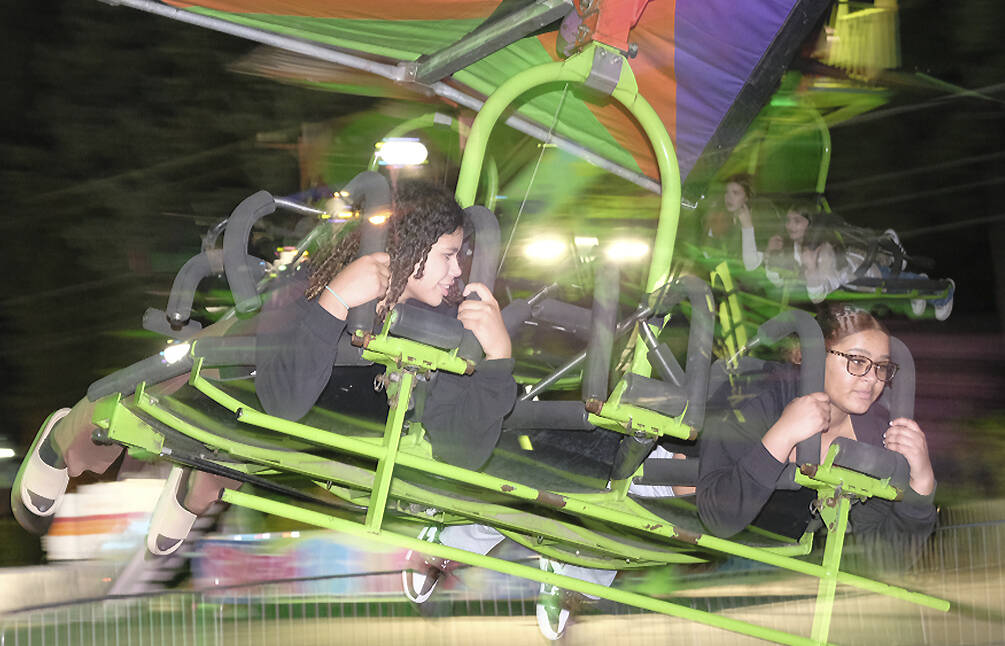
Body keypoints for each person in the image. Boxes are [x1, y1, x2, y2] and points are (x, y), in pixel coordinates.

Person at [255, 179, 516, 470]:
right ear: (408, 245)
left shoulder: (442, 325)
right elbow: (280, 404)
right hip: (282, 456)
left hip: (359, 476)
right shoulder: (310, 287)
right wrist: (333, 302)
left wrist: (498, 361)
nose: (456, 271)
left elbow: (459, 452)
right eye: (447, 255)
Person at [696, 304, 936, 554]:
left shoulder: (874, 437)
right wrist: (783, 435)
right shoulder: (761, 393)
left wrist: (922, 484)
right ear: (814, 355)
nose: (872, 378)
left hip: (759, 555)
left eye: (881, 366)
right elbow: (717, 517)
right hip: (667, 500)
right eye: (856, 360)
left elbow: (887, 560)